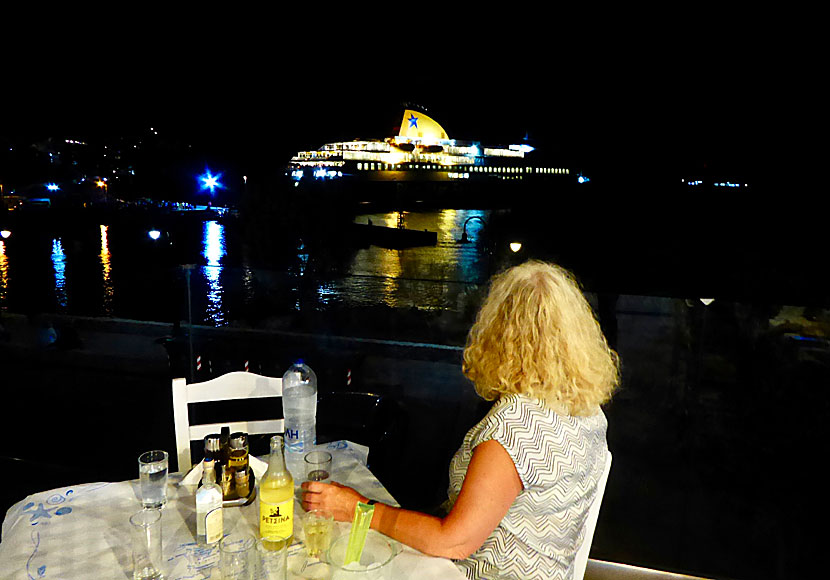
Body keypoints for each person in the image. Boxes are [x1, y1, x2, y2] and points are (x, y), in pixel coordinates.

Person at [302, 260, 620, 579]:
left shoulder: (515, 426)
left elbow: (453, 542)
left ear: (499, 335)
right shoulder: (587, 410)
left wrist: (358, 508)